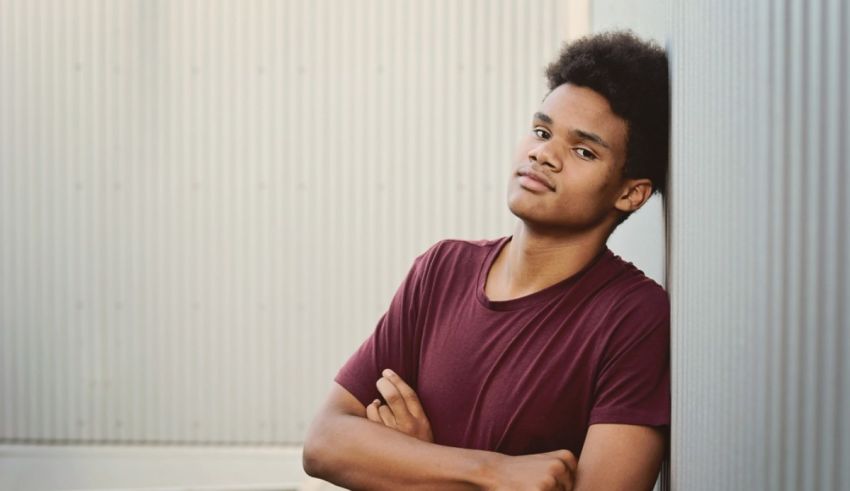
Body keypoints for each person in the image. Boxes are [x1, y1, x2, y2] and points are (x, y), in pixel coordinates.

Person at [303, 30, 670, 491]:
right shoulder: (441, 269)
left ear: (629, 192)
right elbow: (324, 443)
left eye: (583, 150)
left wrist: (407, 465)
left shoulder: (635, 318)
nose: (544, 154)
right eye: (541, 131)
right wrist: (492, 473)